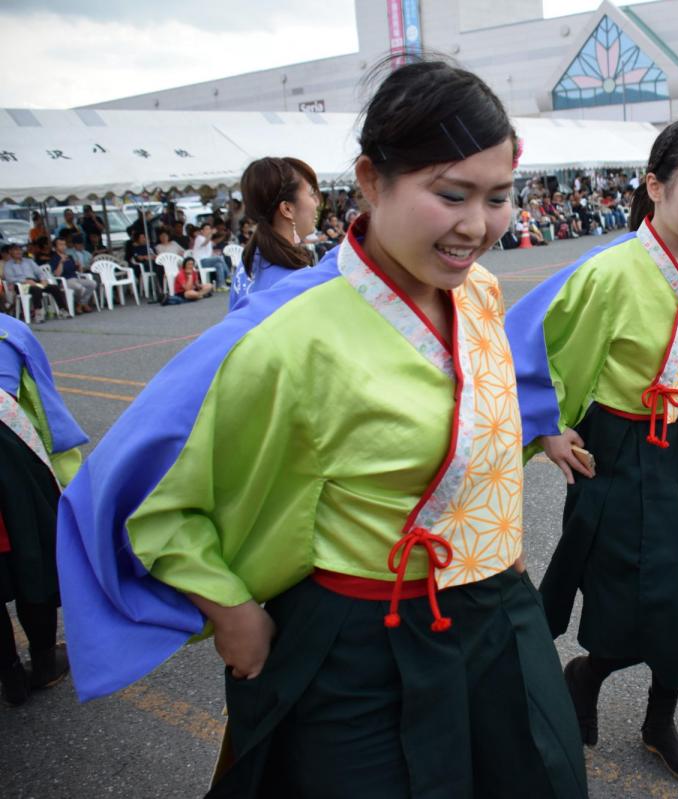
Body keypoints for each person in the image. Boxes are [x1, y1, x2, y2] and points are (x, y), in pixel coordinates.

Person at [56, 58, 586, 798]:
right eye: (451, 194)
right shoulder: (289, 338)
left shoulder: (483, 292)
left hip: (502, 614)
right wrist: (231, 605)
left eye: (499, 197)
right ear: (371, 179)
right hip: (368, 643)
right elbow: (171, 498)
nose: (478, 225)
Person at [506, 118, 678, 785]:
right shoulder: (610, 271)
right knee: (621, 589)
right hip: (618, 445)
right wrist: (551, 428)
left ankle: (659, 718)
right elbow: (550, 351)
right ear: (656, 184)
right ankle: (586, 675)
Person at [0, 315, 88, 705]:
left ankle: (10, 675)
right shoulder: (8, 330)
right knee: (31, 559)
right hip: (9, 454)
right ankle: (43, 661)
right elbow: (41, 407)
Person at [227, 156, 320, 310]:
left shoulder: (248, 262)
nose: (317, 202)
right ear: (287, 209)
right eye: (311, 193)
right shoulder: (298, 280)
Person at [3, 243, 67, 323]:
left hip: (34, 281)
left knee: (54, 287)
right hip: (20, 285)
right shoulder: (8, 265)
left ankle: (62, 310)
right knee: (36, 289)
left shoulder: (29, 261)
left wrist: (43, 279)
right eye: (16, 250)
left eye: (20, 250)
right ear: (10, 251)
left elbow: (39, 272)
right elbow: (10, 278)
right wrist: (24, 281)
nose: (18, 252)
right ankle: (38, 313)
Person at [49, 237, 96, 313]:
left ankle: (80, 305)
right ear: (55, 247)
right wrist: (61, 263)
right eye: (60, 245)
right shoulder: (54, 258)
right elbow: (57, 274)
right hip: (65, 281)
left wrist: (79, 266)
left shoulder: (69, 256)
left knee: (92, 284)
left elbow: (79, 271)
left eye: (64, 244)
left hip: (75, 278)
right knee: (80, 288)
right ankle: (83, 305)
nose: (63, 247)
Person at [191, 222, 230, 291]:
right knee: (219, 258)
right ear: (202, 231)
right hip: (201, 262)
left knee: (219, 264)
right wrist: (211, 233)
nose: (208, 230)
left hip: (207, 261)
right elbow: (205, 243)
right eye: (206, 229)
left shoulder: (209, 240)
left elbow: (209, 252)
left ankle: (220, 285)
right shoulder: (199, 238)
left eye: (209, 229)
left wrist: (215, 254)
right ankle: (229, 275)